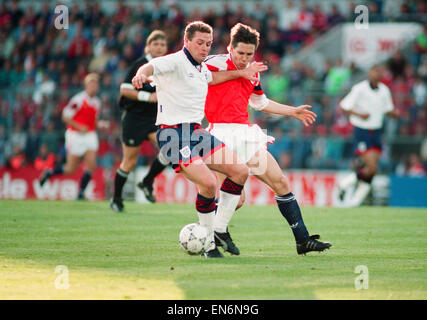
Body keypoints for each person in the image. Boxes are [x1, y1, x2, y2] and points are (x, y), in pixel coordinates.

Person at [132, 21, 267, 258]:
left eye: (208, 44)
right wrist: (140, 75)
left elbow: (213, 79)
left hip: (197, 133)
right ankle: (209, 246)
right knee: (208, 184)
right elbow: (151, 66)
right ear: (187, 41)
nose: (204, 48)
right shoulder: (174, 61)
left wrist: (240, 73)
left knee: (240, 171)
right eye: (200, 43)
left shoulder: (201, 68)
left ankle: (219, 230)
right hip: (173, 134)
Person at [204, 23, 332, 255]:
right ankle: (207, 236)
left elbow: (260, 103)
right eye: (240, 52)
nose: (244, 58)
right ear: (230, 48)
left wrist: (292, 111)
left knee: (280, 182)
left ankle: (302, 240)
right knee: (238, 200)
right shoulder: (213, 63)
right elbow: (202, 79)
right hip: (220, 136)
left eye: (249, 54)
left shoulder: (253, 72)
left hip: (245, 135)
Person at [110, 30, 169, 213]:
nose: (159, 48)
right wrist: (148, 96)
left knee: (169, 149)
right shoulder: (140, 64)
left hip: (153, 118)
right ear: (148, 46)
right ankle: (116, 199)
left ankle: (147, 181)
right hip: (134, 119)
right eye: (156, 44)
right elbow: (125, 89)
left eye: (162, 45)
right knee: (129, 162)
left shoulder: (166, 66)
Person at [338, 65, 399, 206]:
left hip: (377, 131)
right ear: (369, 72)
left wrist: (394, 114)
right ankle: (344, 184)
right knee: (372, 167)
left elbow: (387, 109)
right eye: (374, 71)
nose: (377, 74)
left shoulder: (384, 90)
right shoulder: (360, 89)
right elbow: (344, 106)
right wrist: (360, 114)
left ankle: (355, 201)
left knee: (372, 170)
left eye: (379, 71)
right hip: (362, 130)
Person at [39, 73, 101, 200]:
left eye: (95, 84)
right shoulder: (78, 100)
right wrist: (79, 127)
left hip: (90, 135)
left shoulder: (96, 102)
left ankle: (81, 192)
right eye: (91, 84)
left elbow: (93, 121)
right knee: (70, 168)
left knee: (91, 164)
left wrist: (101, 124)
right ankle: (49, 173)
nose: (93, 86)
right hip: (75, 135)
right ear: (86, 86)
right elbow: (65, 116)